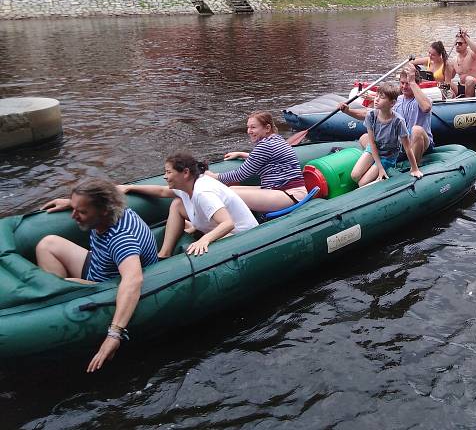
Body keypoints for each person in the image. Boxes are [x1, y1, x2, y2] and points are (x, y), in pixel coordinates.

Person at [39, 178, 159, 372]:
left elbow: (133, 279)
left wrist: (114, 334)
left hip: (105, 284)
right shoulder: (113, 211)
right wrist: (72, 204)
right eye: (75, 209)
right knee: (48, 244)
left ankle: (56, 316)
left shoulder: (121, 239)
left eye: (82, 212)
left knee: (60, 287)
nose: (73, 216)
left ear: (103, 210)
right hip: (99, 263)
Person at [120, 153, 258, 259]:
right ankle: (164, 253)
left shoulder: (202, 193)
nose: (165, 176)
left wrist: (204, 240)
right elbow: (162, 191)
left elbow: (228, 223)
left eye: (169, 172)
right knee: (177, 204)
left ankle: (193, 238)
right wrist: (131, 187)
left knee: (180, 206)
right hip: (220, 227)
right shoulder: (186, 186)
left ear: (185, 173)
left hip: (242, 236)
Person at [204, 111, 307, 213]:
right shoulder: (276, 139)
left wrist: (215, 177)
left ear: (267, 128)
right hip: (286, 191)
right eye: (248, 127)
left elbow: (240, 175)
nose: (249, 131)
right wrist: (242, 154)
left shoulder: (265, 146)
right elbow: (267, 159)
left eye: (253, 127)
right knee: (232, 188)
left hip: (288, 193)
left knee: (230, 193)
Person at [340, 65, 434, 164]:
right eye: (402, 83)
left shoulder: (422, 99)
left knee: (416, 130)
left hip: (422, 144)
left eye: (408, 84)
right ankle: (381, 163)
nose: (405, 86)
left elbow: (426, 107)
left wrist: (412, 81)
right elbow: (368, 114)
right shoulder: (396, 100)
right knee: (364, 138)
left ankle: (413, 167)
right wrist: (348, 111)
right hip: (400, 145)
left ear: (416, 83)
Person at [350, 83, 423, 186]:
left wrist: (415, 169)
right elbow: (372, 143)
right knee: (355, 176)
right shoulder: (371, 116)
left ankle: (383, 174)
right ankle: (377, 170)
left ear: (392, 103)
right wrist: (379, 168)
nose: (376, 99)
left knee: (362, 183)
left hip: (388, 156)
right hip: (374, 149)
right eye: (376, 96)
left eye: (382, 97)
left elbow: (407, 148)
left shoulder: (398, 121)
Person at [450, 29, 476, 98]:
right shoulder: (454, 60)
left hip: (475, 86)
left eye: (460, 43)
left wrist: (465, 37)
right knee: (444, 82)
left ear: (466, 44)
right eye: (456, 43)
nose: (457, 45)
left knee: (469, 79)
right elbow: (450, 77)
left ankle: (468, 101)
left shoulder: (472, 55)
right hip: (461, 87)